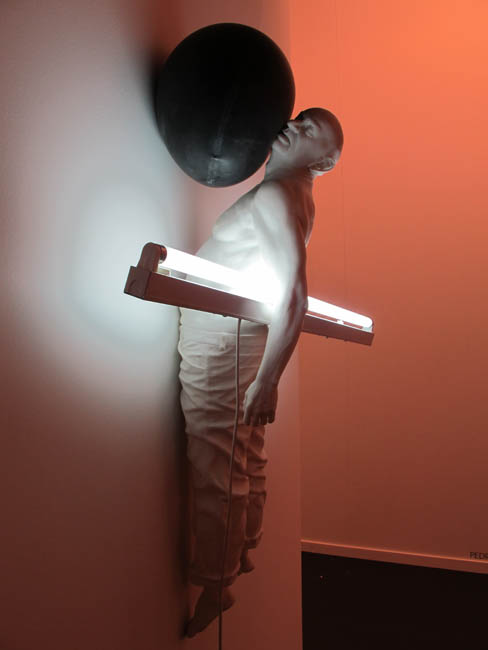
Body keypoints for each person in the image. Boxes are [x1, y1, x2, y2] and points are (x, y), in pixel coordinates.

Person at [178, 108, 343, 637]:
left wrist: (268, 380)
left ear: (324, 162)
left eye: (311, 130)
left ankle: (216, 581)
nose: (295, 124)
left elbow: (293, 295)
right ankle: (243, 549)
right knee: (242, 448)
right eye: (301, 117)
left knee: (216, 455)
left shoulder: (278, 195)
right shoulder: (293, 195)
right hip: (233, 332)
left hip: (223, 337)